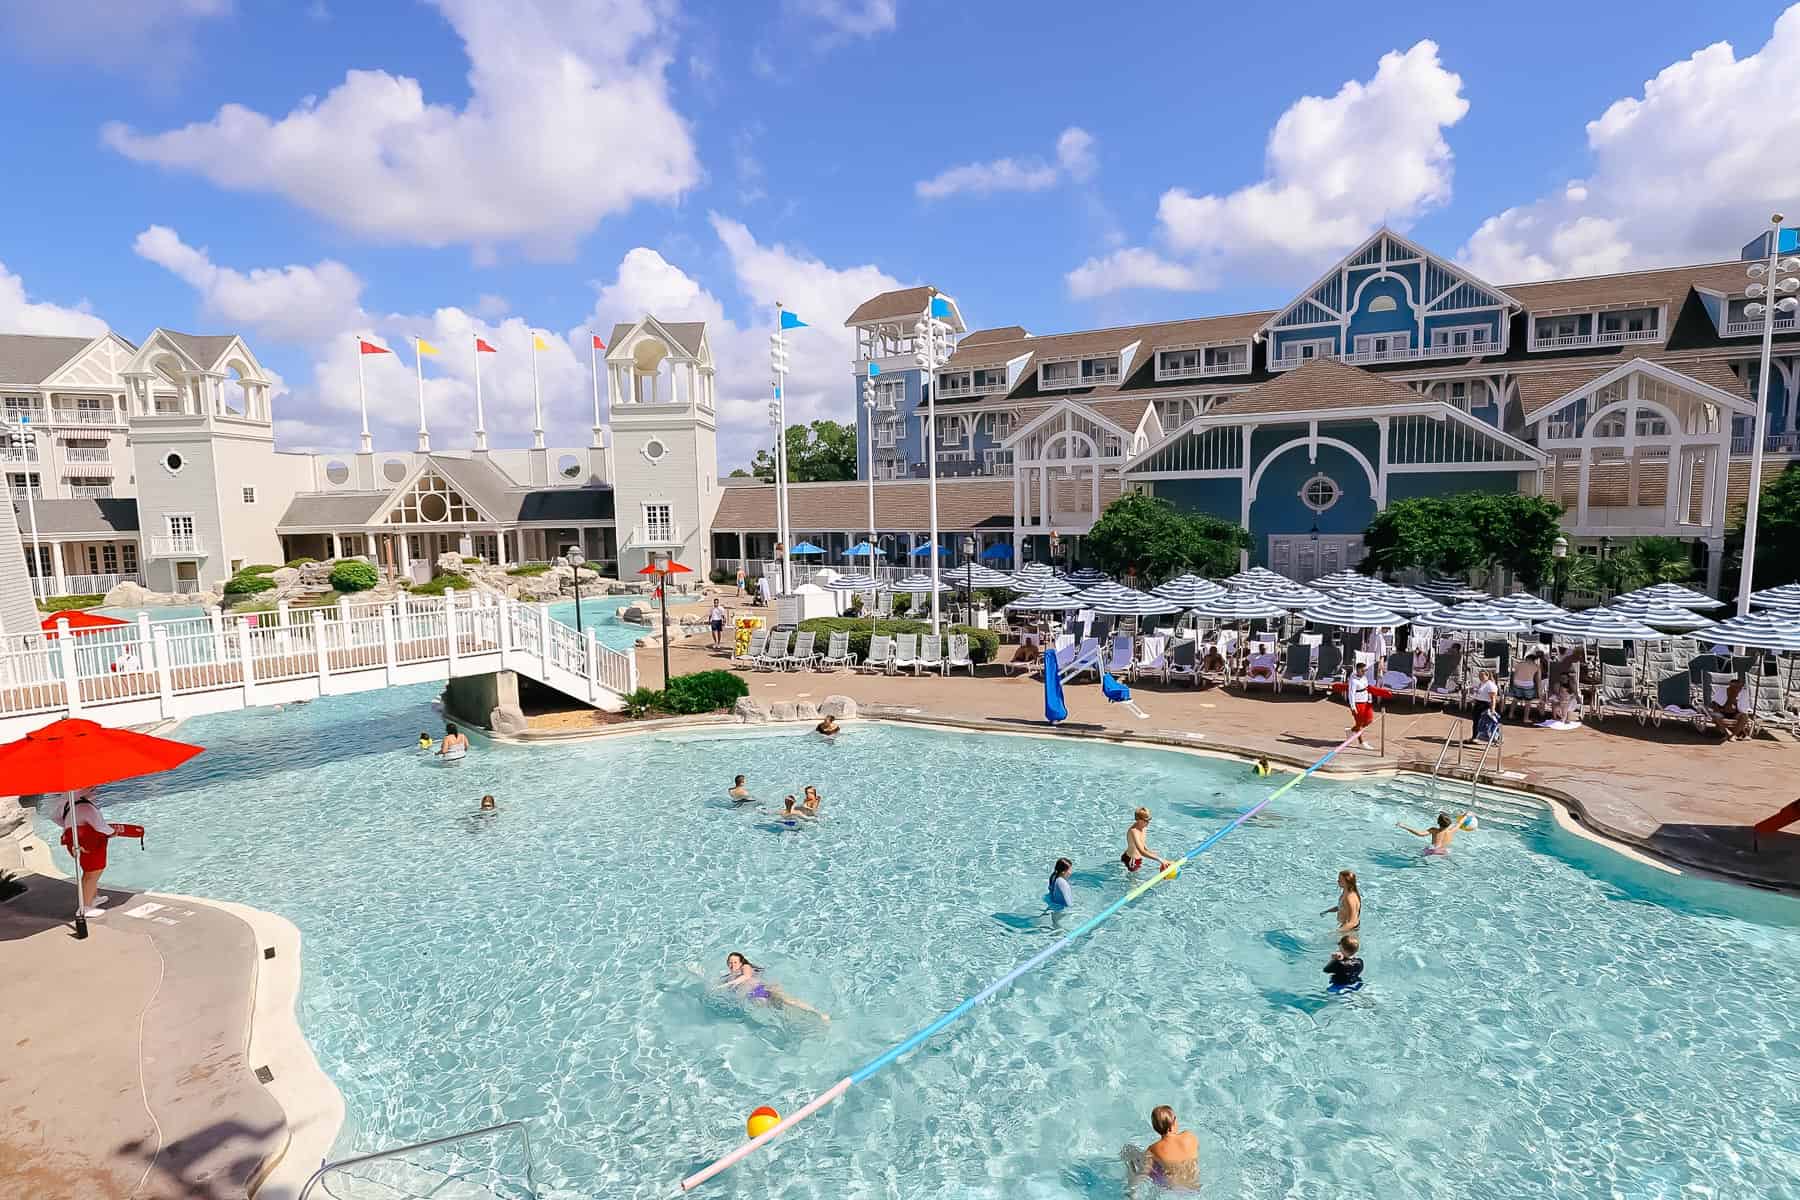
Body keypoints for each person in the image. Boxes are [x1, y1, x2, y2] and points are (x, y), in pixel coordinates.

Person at [53, 790, 140, 919]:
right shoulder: (87, 808)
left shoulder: (66, 803)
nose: (95, 791)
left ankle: (92, 898)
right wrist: (113, 833)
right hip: (91, 844)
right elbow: (101, 827)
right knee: (93, 873)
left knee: (87, 871)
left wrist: (73, 824)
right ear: (84, 791)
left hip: (75, 843)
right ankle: (85, 907)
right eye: (92, 789)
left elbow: (56, 818)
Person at [721, 952, 828, 1020]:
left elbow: (746, 976)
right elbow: (717, 983)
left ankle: (820, 1014)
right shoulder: (729, 977)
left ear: (740, 963)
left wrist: (729, 984)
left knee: (789, 1001)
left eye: (735, 962)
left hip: (764, 988)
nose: (732, 965)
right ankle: (806, 1020)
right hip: (754, 995)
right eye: (730, 962)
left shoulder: (746, 967)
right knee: (781, 1011)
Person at [1140, 1105, 1200, 1189]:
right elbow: (1196, 1148)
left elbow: (1145, 1172)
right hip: (1196, 1185)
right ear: (1174, 1121)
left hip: (1175, 1189)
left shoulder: (1153, 1149)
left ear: (1155, 1128)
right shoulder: (1189, 1136)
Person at [1399, 811, 1469, 856]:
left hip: (1433, 851)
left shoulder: (1434, 830)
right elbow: (1459, 823)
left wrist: (1404, 826)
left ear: (1438, 822)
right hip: (1444, 851)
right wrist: (1466, 816)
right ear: (1449, 823)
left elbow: (1419, 834)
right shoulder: (1452, 831)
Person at [1121, 807, 1167, 873]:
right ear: (1139, 820)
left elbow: (1141, 843)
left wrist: (1148, 850)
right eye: (1146, 820)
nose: (1148, 822)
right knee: (1134, 882)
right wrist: (1160, 860)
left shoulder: (1144, 828)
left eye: (1149, 820)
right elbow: (1141, 852)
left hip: (1135, 858)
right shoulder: (1134, 831)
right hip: (1131, 861)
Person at [1346, 659, 1375, 749]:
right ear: (1358, 670)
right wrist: (1353, 707)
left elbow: (1367, 688)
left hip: (1366, 702)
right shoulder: (1353, 681)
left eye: (1365, 671)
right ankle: (1361, 742)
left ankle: (1352, 731)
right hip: (1357, 703)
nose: (1364, 672)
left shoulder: (1364, 678)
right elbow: (1351, 694)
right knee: (1359, 722)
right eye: (1363, 670)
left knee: (1369, 720)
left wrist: (1370, 699)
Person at [1507, 652, 1544, 722]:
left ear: (1526, 658)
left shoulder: (1518, 664)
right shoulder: (1536, 666)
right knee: (1528, 702)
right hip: (1528, 685)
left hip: (1517, 683)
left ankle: (1510, 714)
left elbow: (1514, 675)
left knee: (1515, 699)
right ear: (1534, 660)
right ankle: (1525, 718)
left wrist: (1513, 685)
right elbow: (1538, 681)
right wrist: (1539, 694)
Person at [1471, 670, 1501, 743]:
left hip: (1486, 705)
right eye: (1479, 675)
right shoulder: (1481, 683)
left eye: (1482, 675)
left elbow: (1493, 698)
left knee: (1488, 723)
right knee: (1476, 721)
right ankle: (1475, 737)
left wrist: (1492, 709)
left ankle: (1495, 738)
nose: (1480, 677)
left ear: (1487, 676)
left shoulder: (1490, 685)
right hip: (1478, 703)